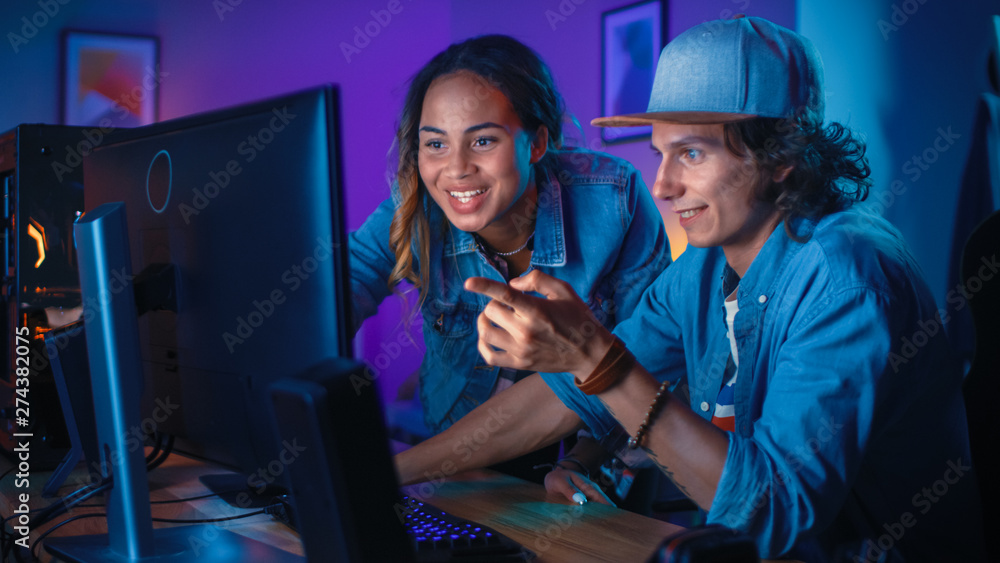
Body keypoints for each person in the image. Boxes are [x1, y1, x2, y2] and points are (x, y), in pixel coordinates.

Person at [396, 16, 986, 561]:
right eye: (660, 154)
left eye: (692, 154)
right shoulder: (701, 268)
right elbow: (564, 397)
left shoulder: (846, 278)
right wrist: (392, 471)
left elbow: (774, 513)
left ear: (780, 156)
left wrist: (595, 357)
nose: (662, 185)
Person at [349, 35, 670, 483]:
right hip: (466, 473)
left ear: (537, 143)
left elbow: (646, 364)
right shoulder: (414, 211)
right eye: (435, 144)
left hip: (597, 464)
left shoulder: (616, 200)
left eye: (483, 141)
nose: (457, 169)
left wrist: (583, 462)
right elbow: (333, 295)